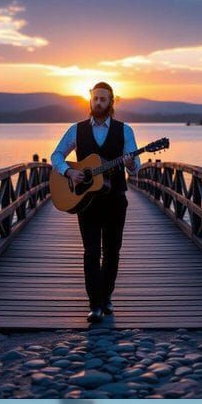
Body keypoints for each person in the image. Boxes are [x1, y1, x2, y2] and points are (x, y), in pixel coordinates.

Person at [50, 84, 140, 324]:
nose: (98, 102)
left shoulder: (125, 130)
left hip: (115, 200)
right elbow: (56, 155)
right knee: (91, 253)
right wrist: (69, 172)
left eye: (103, 99)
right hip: (86, 202)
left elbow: (135, 164)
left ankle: (106, 296)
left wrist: (131, 163)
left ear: (111, 103)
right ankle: (95, 305)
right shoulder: (76, 130)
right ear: (90, 101)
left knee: (112, 252)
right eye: (95, 98)